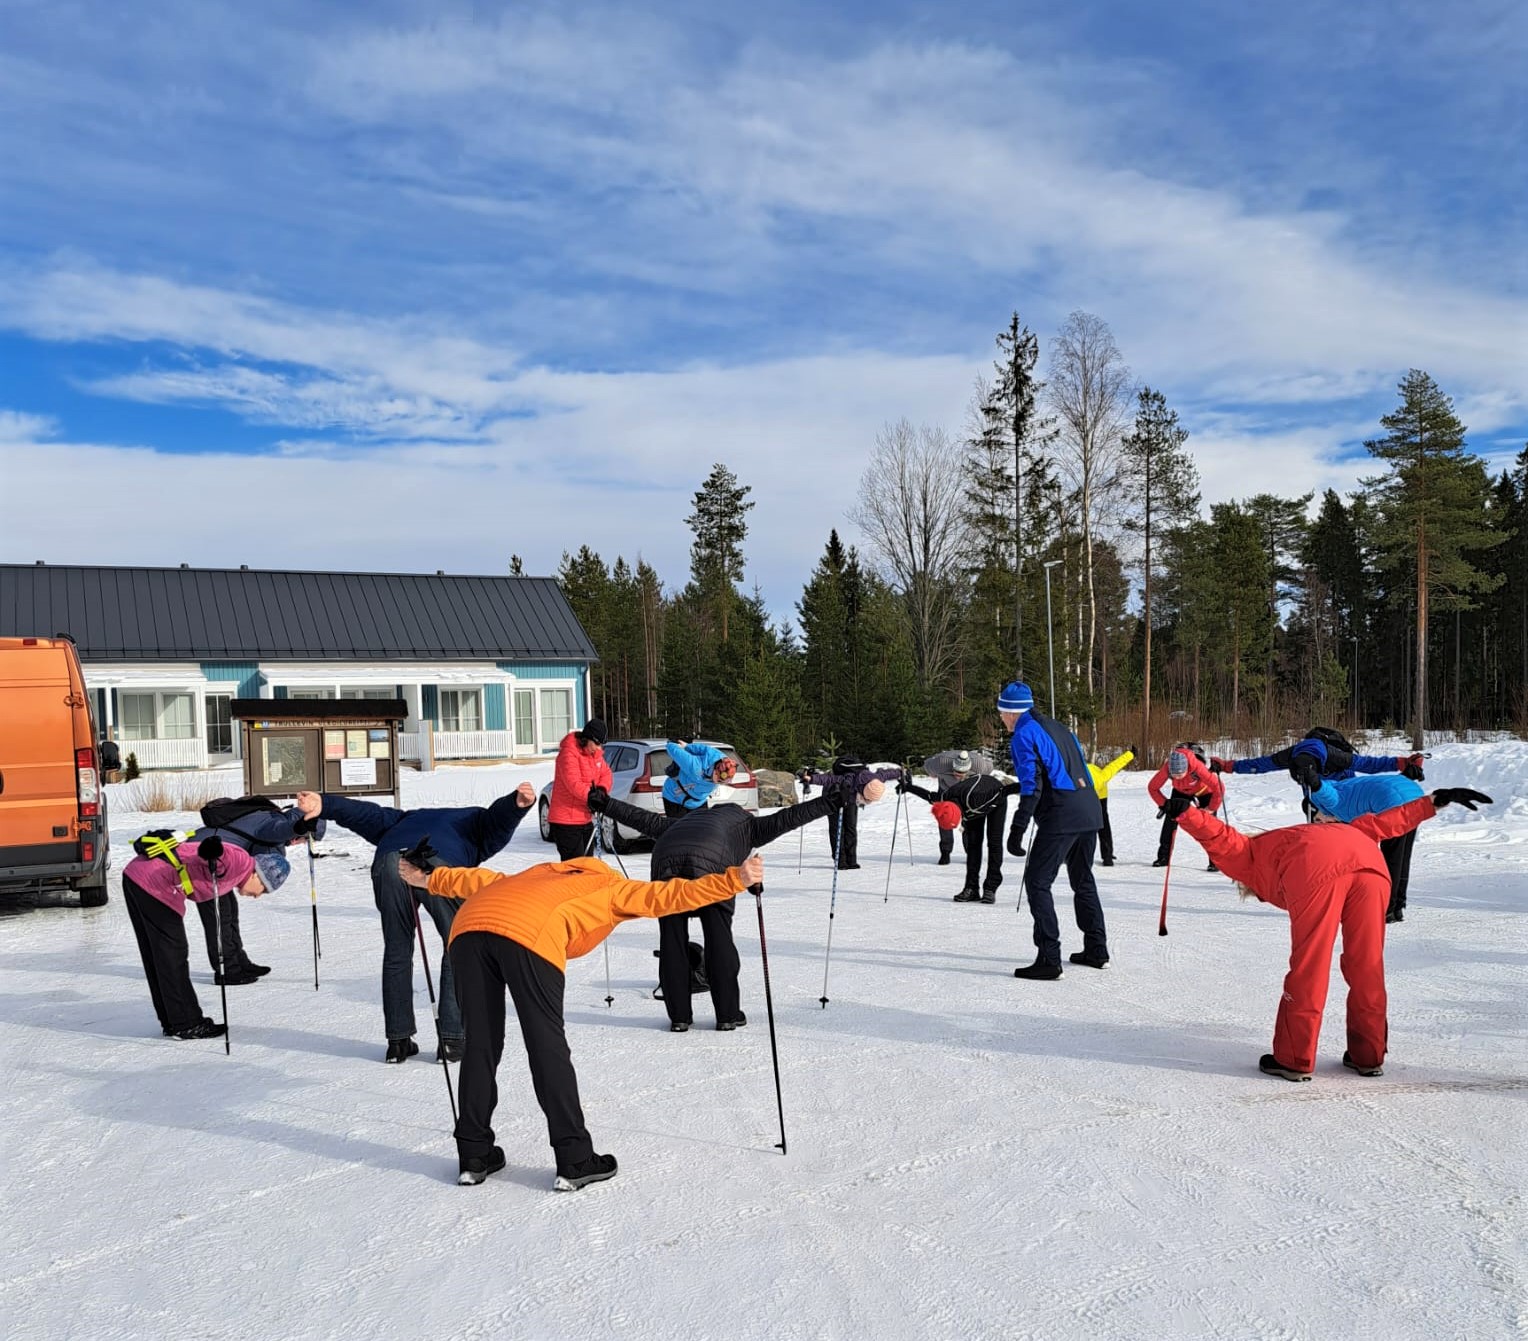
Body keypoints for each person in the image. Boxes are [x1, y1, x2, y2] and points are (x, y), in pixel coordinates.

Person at [398, 845, 767, 1189]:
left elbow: (475, 880)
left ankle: (474, 1156)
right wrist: (735, 879)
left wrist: (428, 879)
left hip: (468, 929)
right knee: (546, 1046)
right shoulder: (611, 886)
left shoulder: (535, 874)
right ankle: (574, 1158)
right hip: (530, 935)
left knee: (480, 1044)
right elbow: (671, 895)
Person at [1172, 785, 1490, 1080]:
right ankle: (1368, 1055)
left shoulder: (1250, 856)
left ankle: (1294, 1058)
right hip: (1370, 866)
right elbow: (1386, 823)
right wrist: (1433, 801)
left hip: (1313, 868)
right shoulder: (1336, 830)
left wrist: (1187, 813)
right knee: (1367, 963)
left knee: (1310, 963)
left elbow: (1221, 838)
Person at [592, 776, 879, 1029]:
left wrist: (604, 803)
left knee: (672, 939)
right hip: (713, 867)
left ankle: (679, 1016)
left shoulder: (683, 821)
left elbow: (639, 818)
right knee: (719, 939)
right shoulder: (748, 825)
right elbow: (790, 817)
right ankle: (727, 1014)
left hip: (667, 861)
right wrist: (832, 802)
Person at [294, 782, 537, 1063]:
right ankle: (452, 1040)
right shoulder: (477, 822)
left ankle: (397, 1042)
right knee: (458, 946)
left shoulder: (404, 818)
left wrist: (325, 803)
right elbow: (498, 819)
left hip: (390, 861)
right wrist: (517, 803)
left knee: (397, 949)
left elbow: (365, 814)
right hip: (439, 865)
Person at [121, 830, 290, 1039]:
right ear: (257, 874)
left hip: (138, 878)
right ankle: (186, 1023)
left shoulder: (240, 868)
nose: (258, 896)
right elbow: (219, 857)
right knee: (172, 955)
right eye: (264, 889)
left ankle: (173, 1021)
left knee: (159, 956)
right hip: (154, 885)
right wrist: (214, 850)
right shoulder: (240, 862)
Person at [998, 681, 1108, 978]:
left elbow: (1034, 787)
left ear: (1010, 712)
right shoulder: (1058, 727)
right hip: (1090, 808)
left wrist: (1017, 828)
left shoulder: (1023, 734)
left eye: (1001, 712)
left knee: (1037, 882)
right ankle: (1097, 949)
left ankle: (1049, 958)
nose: (1001, 718)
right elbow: (1067, 770)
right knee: (1083, 879)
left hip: (1062, 813)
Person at [188, 797, 325, 984]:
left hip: (217, 860)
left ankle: (239, 961)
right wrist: (297, 827)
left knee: (229, 910)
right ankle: (227, 970)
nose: (299, 843)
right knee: (220, 916)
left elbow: (265, 852)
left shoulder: (270, 820)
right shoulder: (275, 823)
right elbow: (277, 833)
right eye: (304, 840)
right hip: (204, 859)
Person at [1295, 755, 1427, 924]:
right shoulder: (1341, 790)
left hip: (1394, 803)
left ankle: (1386, 909)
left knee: (1390, 859)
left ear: (1317, 808)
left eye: (1319, 819)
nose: (1322, 823)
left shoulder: (1330, 800)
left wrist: (1313, 781)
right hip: (1413, 796)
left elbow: (1322, 791)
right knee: (1402, 856)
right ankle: (1397, 907)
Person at [900, 765, 1020, 902]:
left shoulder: (979, 798)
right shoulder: (945, 798)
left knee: (994, 842)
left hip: (994, 797)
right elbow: (928, 795)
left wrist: (1035, 786)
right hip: (971, 806)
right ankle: (971, 888)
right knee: (973, 845)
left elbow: (1006, 790)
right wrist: (907, 787)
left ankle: (990, 888)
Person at [799, 755, 904, 869]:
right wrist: (812, 779)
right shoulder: (849, 778)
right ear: (862, 791)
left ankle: (851, 860)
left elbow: (887, 774)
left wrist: (900, 772)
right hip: (833, 797)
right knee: (838, 830)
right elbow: (830, 779)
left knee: (850, 828)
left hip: (851, 799)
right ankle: (841, 861)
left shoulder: (875, 778)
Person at [1147, 746, 1224, 871]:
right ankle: (1163, 857)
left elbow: (1219, 788)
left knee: (1209, 825)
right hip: (1180, 792)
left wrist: (1211, 808)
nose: (1177, 777)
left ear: (1187, 768)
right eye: (1174, 775)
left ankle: (1215, 861)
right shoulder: (1168, 767)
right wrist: (1164, 804)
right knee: (1170, 822)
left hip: (1204, 791)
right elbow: (1152, 787)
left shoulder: (1197, 767)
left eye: (1180, 774)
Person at [546, 718, 614, 860]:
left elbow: (606, 774)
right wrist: (590, 796)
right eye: (596, 743)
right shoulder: (568, 753)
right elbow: (573, 783)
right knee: (575, 869)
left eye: (600, 744)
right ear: (587, 738)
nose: (598, 747)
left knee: (587, 866)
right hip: (565, 821)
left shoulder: (595, 756)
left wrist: (601, 790)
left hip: (584, 819)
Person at [920, 749, 998, 865]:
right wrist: (934, 774)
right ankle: (945, 852)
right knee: (945, 818)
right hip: (946, 790)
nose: (958, 776)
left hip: (968, 792)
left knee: (969, 820)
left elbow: (990, 767)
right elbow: (927, 765)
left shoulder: (979, 765)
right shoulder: (941, 762)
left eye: (962, 773)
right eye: (956, 772)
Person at [661, 740, 737, 817]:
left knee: (702, 827)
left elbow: (703, 749)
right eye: (718, 781)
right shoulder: (695, 767)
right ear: (715, 771)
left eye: (722, 782)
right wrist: (673, 744)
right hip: (674, 798)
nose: (718, 783)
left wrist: (688, 746)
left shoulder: (722, 759)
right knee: (679, 828)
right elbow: (674, 750)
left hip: (698, 802)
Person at [1086, 747, 1134, 866]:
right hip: (1083, 789)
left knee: (1102, 824)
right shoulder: (1075, 778)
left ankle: (1107, 856)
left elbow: (1114, 766)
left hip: (1101, 795)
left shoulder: (1101, 777)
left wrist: (1130, 755)